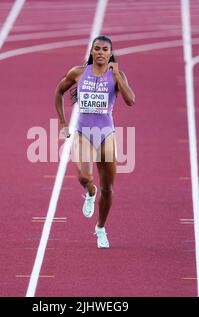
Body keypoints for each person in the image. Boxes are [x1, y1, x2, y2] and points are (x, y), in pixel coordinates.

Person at [54, 35, 135, 248]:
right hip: (83, 132)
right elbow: (59, 91)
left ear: (110, 53)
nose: (100, 52)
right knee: (83, 176)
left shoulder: (116, 75)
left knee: (108, 188)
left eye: (105, 49)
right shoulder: (78, 73)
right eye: (97, 48)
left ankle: (100, 228)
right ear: (91, 51)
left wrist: (117, 75)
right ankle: (90, 191)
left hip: (106, 134)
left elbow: (131, 101)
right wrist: (63, 122)